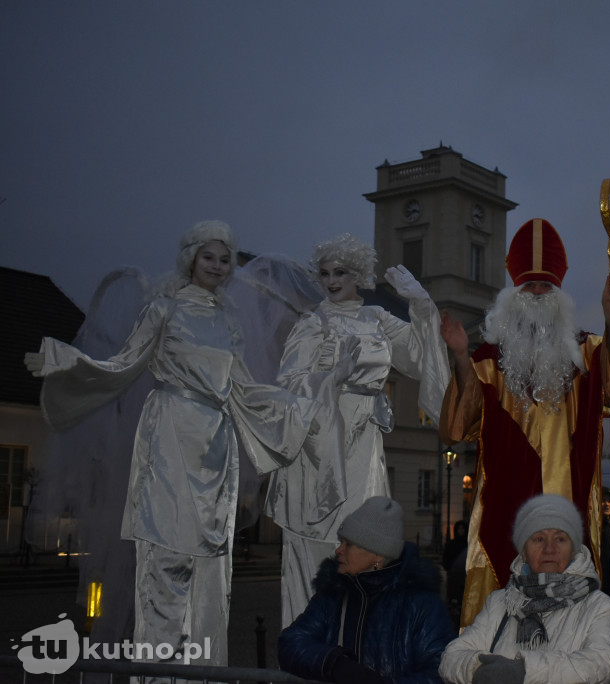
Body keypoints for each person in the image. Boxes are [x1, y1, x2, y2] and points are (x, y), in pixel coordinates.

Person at [24, 220, 320, 669]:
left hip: (215, 445)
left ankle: (202, 672)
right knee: (165, 558)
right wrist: (64, 361)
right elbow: (123, 363)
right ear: (191, 258)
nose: (218, 266)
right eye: (209, 257)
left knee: (208, 565)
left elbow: (242, 385)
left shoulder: (227, 319)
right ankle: (160, 673)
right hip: (169, 434)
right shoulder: (163, 309)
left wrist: (297, 409)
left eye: (224, 260)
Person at [440, 218, 610, 627]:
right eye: (528, 286)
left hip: (570, 513)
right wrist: (460, 357)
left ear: (559, 294)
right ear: (513, 293)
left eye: (545, 286)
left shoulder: (586, 355)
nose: (536, 294)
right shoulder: (489, 362)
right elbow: (457, 429)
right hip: (504, 521)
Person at [267, 233, 450, 625]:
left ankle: (358, 644)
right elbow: (287, 385)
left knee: (363, 542)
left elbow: (419, 361)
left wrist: (421, 304)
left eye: (342, 272)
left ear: (359, 275)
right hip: (320, 444)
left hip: (363, 443)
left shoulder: (377, 319)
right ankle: (310, 643)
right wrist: (332, 377)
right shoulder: (312, 322)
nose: (332, 280)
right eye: (325, 273)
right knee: (319, 542)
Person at [438, 493, 610, 684]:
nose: (549, 549)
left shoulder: (601, 608)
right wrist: (479, 669)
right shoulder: (500, 602)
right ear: (524, 552)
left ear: (574, 548)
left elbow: (600, 665)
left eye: (560, 539)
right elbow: (451, 657)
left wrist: (524, 671)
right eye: (538, 539)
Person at [279, 496, 456, 683]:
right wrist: (334, 663)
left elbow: (441, 671)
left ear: (377, 554)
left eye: (348, 544)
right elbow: (290, 643)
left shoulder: (422, 603)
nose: (339, 550)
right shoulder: (334, 593)